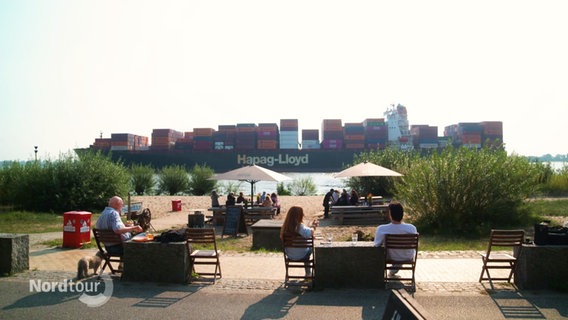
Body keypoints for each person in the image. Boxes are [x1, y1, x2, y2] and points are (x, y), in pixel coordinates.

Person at [373, 202, 418, 276]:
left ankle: (393, 269)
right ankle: (394, 269)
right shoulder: (411, 228)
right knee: (402, 250)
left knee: (386, 251)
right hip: (408, 256)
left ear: (390, 214)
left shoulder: (382, 228)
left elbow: (376, 244)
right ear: (402, 214)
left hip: (392, 257)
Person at [280, 206, 319, 276]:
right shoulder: (299, 227)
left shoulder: (286, 227)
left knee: (305, 246)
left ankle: (288, 274)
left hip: (290, 255)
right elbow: (308, 233)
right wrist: (313, 227)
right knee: (309, 249)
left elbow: (304, 231)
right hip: (302, 255)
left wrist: (310, 227)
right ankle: (308, 273)